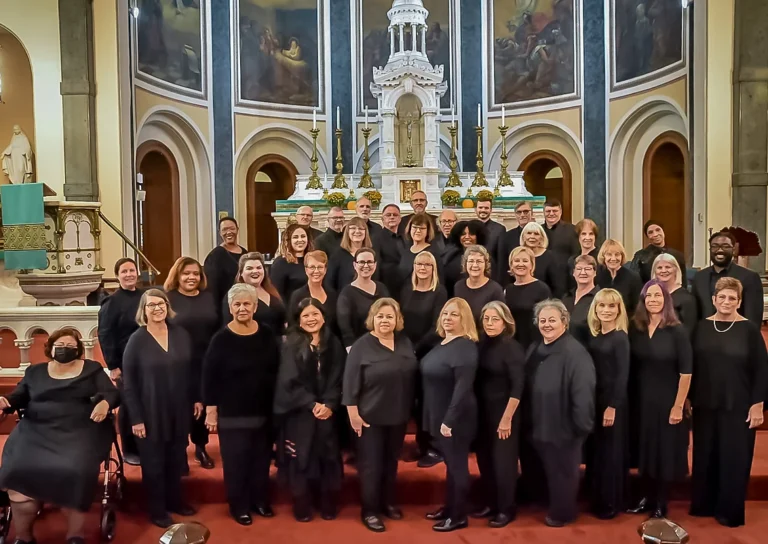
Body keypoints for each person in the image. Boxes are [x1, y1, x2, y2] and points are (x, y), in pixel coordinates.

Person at [0, 328, 119, 544]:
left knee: (74, 469)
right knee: (18, 467)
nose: (65, 350)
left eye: (71, 347)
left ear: (79, 350)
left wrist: (104, 403)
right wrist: (5, 401)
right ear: (51, 348)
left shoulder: (91, 369)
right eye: (61, 346)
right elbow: (18, 395)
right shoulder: (34, 372)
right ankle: (24, 537)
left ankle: (75, 535)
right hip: (36, 429)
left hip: (80, 429)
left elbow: (111, 392)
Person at [689, 277, 768, 527]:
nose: (726, 301)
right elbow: (691, 366)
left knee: (734, 458)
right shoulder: (701, 327)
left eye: (732, 298)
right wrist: (688, 397)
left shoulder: (750, 330)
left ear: (740, 302)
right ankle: (703, 505)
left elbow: (762, 370)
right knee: (705, 455)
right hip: (705, 403)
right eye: (721, 297)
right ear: (713, 299)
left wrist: (758, 404)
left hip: (739, 405)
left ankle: (728, 511)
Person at [202, 284, 280, 525]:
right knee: (236, 462)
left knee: (261, 459)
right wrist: (211, 411)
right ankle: (239, 506)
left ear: (255, 307)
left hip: (263, 411)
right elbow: (209, 376)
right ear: (230, 307)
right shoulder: (220, 339)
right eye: (237, 304)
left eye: (247, 304)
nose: (242, 308)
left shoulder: (267, 334)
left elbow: (276, 370)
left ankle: (259, 500)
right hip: (233, 414)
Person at [122, 289, 200, 528]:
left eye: (161, 304)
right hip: (150, 411)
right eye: (151, 305)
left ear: (167, 306)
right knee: (154, 464)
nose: (157, 309)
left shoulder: (181, 334)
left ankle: (175, 501)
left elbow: (192, 370)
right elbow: (129, 383)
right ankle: (157, 509)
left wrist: (197, 398)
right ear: (143, 311)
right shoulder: (137, 339)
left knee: (176, 459)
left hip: (179, 408)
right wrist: (136, 419)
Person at [343, 298, 418, 532]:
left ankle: (387, 502)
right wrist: (353, 413)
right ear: (372, 319)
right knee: (371, 466)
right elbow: (349, 383)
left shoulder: (404, 342)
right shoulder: (361, 346)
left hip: (398, 416)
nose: (385, 320)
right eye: (380, 316)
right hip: (369, 418)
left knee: (390, 463)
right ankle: (370, 510)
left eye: (389, 316)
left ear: (397, 320)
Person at [522, 299, 595, 527]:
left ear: (564, 322)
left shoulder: (575, 353)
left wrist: (579, 426)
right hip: (539, 422)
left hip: (564, 426)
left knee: (563, 472)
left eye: (552, 320)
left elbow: (583, 392)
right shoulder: (535, 347)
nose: (546, 324)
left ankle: (563, 513)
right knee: (549, 470)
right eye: (542, 320)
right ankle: (546, 502)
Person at [274, 298, 345, 522]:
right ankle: (302, 504)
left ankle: (327, 503)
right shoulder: (290, 344)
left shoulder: (334, 343)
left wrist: (330, 404)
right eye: (305, 315)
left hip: (328, 411)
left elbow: (340, 378)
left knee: (328, 456)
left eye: (315, 314)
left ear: (323, 316)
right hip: (300, 412)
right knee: (301, 457)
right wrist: (312, 404)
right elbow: (288, 381)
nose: (311, 319)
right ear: (298, 319)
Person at [626, 280, 692, 519]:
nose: (653, 300)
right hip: (641, 400)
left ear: (666, 300)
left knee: (662, 452)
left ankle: (661, 502)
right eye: (648, 296)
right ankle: (645, 497)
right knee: (645, 449)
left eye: (658, 296)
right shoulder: (637, 328)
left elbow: (686, 372)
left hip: (667, 400)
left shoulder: (677, 331)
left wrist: (678, 405)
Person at [421, 298, 479, 532]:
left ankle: (458, 516)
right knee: (450, 465)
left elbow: (463, 388)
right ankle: (449, 507)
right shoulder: (443, 342)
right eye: (445, 313)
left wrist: (449, 420)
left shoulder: (465, 346)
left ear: (463, 318)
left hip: (456, 418)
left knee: (457, 467)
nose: (447, 318)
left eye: (454, 314)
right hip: (440, 414)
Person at [471, 302, 525, 528]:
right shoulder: (481, 343)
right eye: (487, 319)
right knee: (485, 461)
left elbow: (518, 386)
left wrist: (506, 418)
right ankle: (491, 503)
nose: (490, 323)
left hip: (505, 413)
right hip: (483, 413)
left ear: (506, 322)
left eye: (495, 319)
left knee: (503, 464)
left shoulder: (511, 347)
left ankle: (506, 508)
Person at [164, 257, 219, 470]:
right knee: (180, 405)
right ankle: (179, 452)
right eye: (186, 273)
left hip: (204, 359)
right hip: (177, 361)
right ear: (177, 275)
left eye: (196, 273)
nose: (191, 277)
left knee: (202, 406)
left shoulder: (208, 297)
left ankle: (201, 447)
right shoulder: (168, 298)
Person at [399, 250, 448, 465]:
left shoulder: (439, 292)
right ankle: (420, 445)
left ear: (433, 268)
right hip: (407, 351)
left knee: (430, 402)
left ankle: (435, 448)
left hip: (430, 353)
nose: (423, 268)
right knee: (413, 401)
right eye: (420, 263)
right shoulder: (406, 290)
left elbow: (438, 327)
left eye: (428, 264)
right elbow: (399, 320)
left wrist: (417, 348)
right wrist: (405, 347)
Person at [586, 289, 630, 519]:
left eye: (611, 306)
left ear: (619, 310)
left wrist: (613, 405)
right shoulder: (596, 336)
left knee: (612, 453)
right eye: (602, 305)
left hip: (613, 402)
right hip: (596, 399)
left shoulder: (620, 337)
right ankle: (598, 499)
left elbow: (623, 375)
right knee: (599, 452)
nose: (606, 310)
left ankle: (611, 503)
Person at [97, 257, 143, 465]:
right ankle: (129, 449)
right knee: (128, 404)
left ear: (138, 273)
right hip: (124, 362)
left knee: (144, 403)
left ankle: (145, 446)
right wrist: (113, 365)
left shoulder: (144, 296)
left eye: (132, 270)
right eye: (124, 271)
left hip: (146, 360)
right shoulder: (112, 301)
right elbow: (105, 334)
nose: (129, 274)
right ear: (117, 276)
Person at [691, 230, 764, 326]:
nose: (719, 250)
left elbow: (753, 316)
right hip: (706, 335)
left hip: (736, 335)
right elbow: (694, 312)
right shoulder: (699, 277)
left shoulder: (749, 277)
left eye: (725, 246)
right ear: (710, 249)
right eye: (715, 246)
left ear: (733, 250)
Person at [337, 248, 390, 351]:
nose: (366, 266)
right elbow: (345, 328)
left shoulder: (382, 288)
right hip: (360, 348)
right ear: (355, 265)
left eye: (370, 262)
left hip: (383, 344)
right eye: (361, 262)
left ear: (375, 264)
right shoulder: (346, 294)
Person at [222, 252, 286, 335]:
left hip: (277, 344)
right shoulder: (233, 296)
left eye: (259, 268)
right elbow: (229, 327)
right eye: (249, 268)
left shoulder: (272, 290)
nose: (255, 271)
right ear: (241, 273)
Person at [504, 246, 552, 350]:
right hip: (513, 345)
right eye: (517, 261)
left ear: (532, 265)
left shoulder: (542, 289)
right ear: (511, 265)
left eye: (525, 261)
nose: (520, 264)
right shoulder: (508, 290)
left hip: (535, 346)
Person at [288, 250, 337, 331]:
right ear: (306, 270)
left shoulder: (333, 294)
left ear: (325, 270)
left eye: (320, 267)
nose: (316, 271)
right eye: (312, 267)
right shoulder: (297, 296)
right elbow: (292, 326)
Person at [203, 217, 247, 309]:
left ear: (237, 230)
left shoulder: (245, 253)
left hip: (245, 303)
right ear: (220, 233)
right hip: (225, 306)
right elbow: (212, 288)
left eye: (232, 228)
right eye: (225, 229)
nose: (229, 232)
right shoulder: (215, 256)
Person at [453, 244, 504, 323]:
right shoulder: (458, 286)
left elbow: (500, 319)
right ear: (465, 264)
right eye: (471, 261)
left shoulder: (495, 289)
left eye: (479, 261)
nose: (475, 265)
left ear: (486, 264)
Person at [651, 253, 697, 334]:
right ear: (655, 271)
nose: (663, 270)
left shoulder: (687, 299)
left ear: (676, 269)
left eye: (668, 267)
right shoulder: (650, 296)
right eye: (659, 267)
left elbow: (688, 331)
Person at [326, 217, 374, 293]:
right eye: (353, 228)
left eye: (361, 229)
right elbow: (330, 283)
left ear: (366, 232)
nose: (357, 231)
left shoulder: (372, 254)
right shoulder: (337, 255)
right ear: (347, 232)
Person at [397, 213, 443, 294]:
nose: (418, 231)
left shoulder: (433, 252)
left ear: (427, 231)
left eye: (422, 228)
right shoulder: (406, 250)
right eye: (415, 227)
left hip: (426, 296)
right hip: (406, 294)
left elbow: (440, 279)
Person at [596, 239, 642, 317]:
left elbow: (637, 308)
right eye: (609, 254)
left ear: (622, 256)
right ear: (603, 257)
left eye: (617, 254)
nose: (613, 258)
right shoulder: (597, 276)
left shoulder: (633, 277)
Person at [630, 220, 686, 284]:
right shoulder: (640, 256)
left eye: (658, 230)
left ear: (663, 231)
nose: (655, 234)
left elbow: (683, 282)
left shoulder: (678, 255)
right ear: (647, 236)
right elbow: (633, 281)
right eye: (650, 232)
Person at [520, 221, 567, 298]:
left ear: (541, 238)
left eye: (536, 234)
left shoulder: (550, 257)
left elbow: (558, 287)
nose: (532, 236)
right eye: (529, 233)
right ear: (523, 237)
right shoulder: (518, 254)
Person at [442, 220, 487, 298]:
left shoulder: (486, 257)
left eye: (471, 234)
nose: (467, 237)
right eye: (463, 234)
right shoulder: (450, 257)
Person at [562, 255, 599, 346]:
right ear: (573, 273)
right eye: (579, 269)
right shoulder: (566, 297)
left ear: (595, 273)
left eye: (587, 269)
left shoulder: (599, 298)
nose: (583, 272)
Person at [271, 223, 313, 304]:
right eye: (295, 237)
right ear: (288, 240)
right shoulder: (280, 263)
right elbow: (277, 293)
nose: (300, 240)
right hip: (289, 310)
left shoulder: (313, 260)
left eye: (303, 236)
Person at [496, 201, 533, 284]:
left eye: (526, 211)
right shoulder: (507, 236)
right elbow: (503, 264)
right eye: (519, 212)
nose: (522, 215)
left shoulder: (539, 234)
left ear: (532, 213)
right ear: (516, 215)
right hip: (513, 282)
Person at [376, 203, 404, 296]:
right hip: (386, 286)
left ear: (400, 219)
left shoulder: (406, 237)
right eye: (388, 215)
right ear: (382, 219)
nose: (392, 217)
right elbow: (376, 265)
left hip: (405, 286)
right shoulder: (376, 238)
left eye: (395, 215)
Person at [567, 218, 600, 289]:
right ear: (578, 237)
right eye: (583, 234)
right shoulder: (572, 260)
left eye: (591, 234)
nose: (587, 237)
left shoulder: (601, 258)